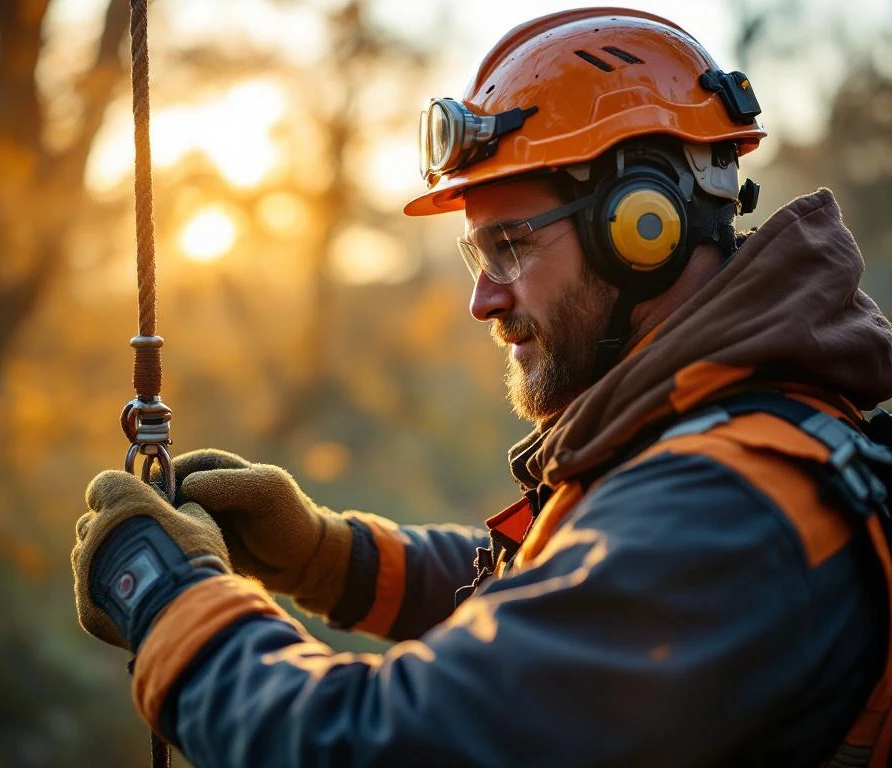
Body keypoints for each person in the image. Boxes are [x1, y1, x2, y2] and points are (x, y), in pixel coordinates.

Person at [72, 9, 892, 767]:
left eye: (511, 246)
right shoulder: (712, 446)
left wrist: (169, 602)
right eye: (479, 255)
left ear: (644, 229)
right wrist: (324, 555)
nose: (483, 299)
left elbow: (381, 747)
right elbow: (557, 599)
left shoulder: (731, 510)